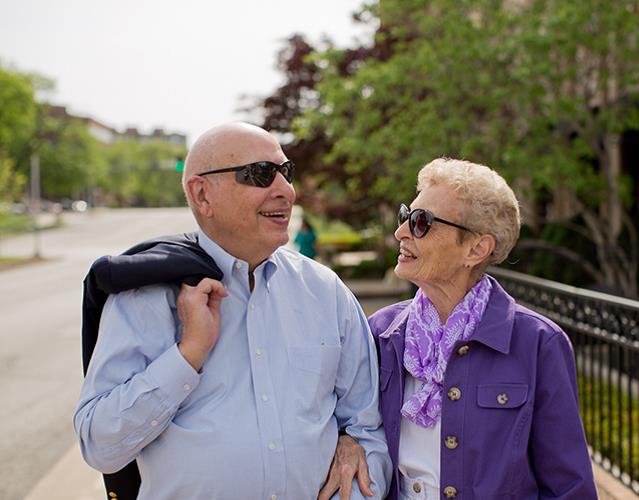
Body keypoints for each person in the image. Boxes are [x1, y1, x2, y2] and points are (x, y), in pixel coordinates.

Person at [74, 123, 391, 499]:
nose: (286, 191)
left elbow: (367, 429)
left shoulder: (326, 292)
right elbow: (100, 446)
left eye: (286, 172)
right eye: (260, 174)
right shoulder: (145, 296)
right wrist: (187, 355)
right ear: (202, 193)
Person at [369, 158, 597, 499]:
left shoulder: (537, 343)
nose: (401, 232)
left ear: (476, 249)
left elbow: (568, 486)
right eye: (406, 216)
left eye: (421, 223)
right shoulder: (381, 334)